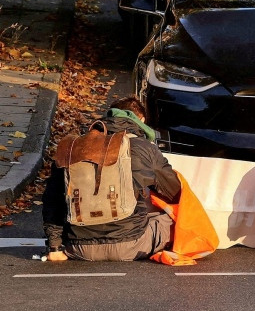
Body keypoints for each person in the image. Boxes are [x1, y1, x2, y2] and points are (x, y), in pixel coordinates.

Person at [43, 98, 181, 261]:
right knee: (174, 222)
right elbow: (174, 191)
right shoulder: (144, 147)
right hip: (130, 245)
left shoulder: (76, 147)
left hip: (78, 247)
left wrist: (55, 247)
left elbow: (53, 199)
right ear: (141, 120)